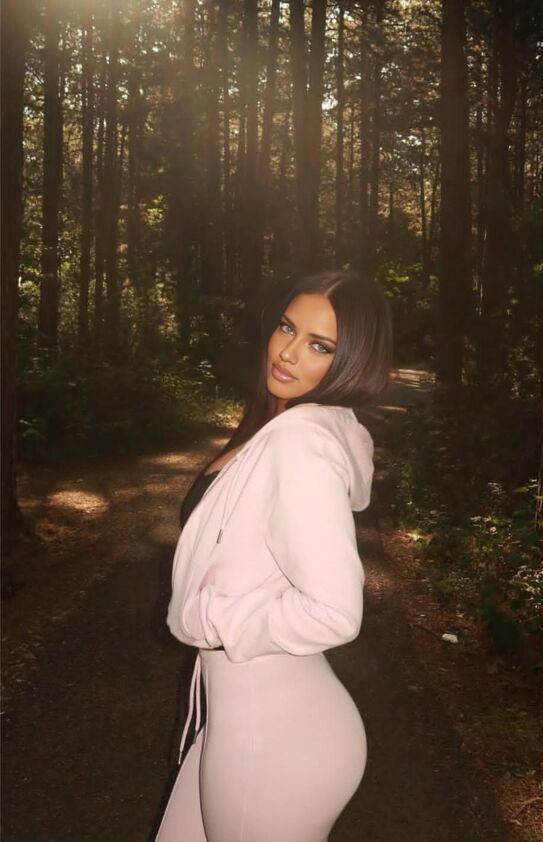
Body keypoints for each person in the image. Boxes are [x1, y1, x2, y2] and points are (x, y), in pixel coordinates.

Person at [154, 270, 393, 842]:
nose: (287, 351)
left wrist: (211, 619)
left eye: (320, 345)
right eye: (287, 328)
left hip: (275, 737)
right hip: (246, 720)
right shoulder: (281, 427)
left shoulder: (300, 441)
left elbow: (335, 611)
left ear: (352, 361)